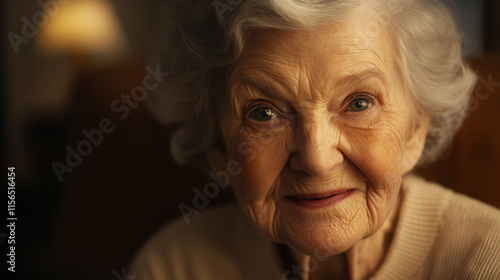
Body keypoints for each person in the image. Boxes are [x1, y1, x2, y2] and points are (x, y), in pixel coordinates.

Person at [130, 0, 500, 279]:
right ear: (217, 146)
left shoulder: (487, 258)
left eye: (359, 103)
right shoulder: (174, 267)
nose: (316, 159)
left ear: (414, 131)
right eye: (264, 113)